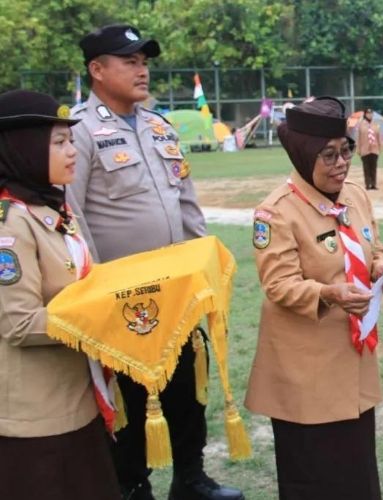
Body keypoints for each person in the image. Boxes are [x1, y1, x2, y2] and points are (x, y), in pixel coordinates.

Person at [68, 24, 243, 500]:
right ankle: (131, 485)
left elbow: (186, 203)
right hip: (122, 300)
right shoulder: (80, 132)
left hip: (177, 291)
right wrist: (95, 291)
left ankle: (190, 477)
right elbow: (75, 215)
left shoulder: (159, 126)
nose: (141, 69)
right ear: (97, 70)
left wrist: (202, 269)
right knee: (129, 395)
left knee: (187, 387)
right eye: (129, 61)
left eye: (144, 61)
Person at [244, 97, 383, 500]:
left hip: (353, 362)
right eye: (328, 155)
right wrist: (330, 293)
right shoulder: (277, 212)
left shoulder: (355, 196)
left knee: (357, 472)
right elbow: (278, 285)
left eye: (345, 151)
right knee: (313, 476)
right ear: (302, 154)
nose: (341, 163)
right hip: (305, 371)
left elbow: (373, 247)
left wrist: (381, 266)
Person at [0, 90, 120, 499]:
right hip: (39, 418)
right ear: (24, 148)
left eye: (71, 140)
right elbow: (19, 323)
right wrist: (104, 320)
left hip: (78, 399)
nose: (72, 151)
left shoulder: (51, 208)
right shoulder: (11, 225)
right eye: (59, 142)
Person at [357, 107, 382, 190]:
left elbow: (378, 137)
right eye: (368, 114)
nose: (370, 115)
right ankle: (367, 184)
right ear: (365, 114)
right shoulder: (361, 125)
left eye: (371, 114)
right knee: (366, 168)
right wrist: (358, 149)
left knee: (373, 168)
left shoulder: (375, 125)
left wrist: (379, 148)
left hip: (374, 149)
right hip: (365, 150)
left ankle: (373, 184)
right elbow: (359, 138)